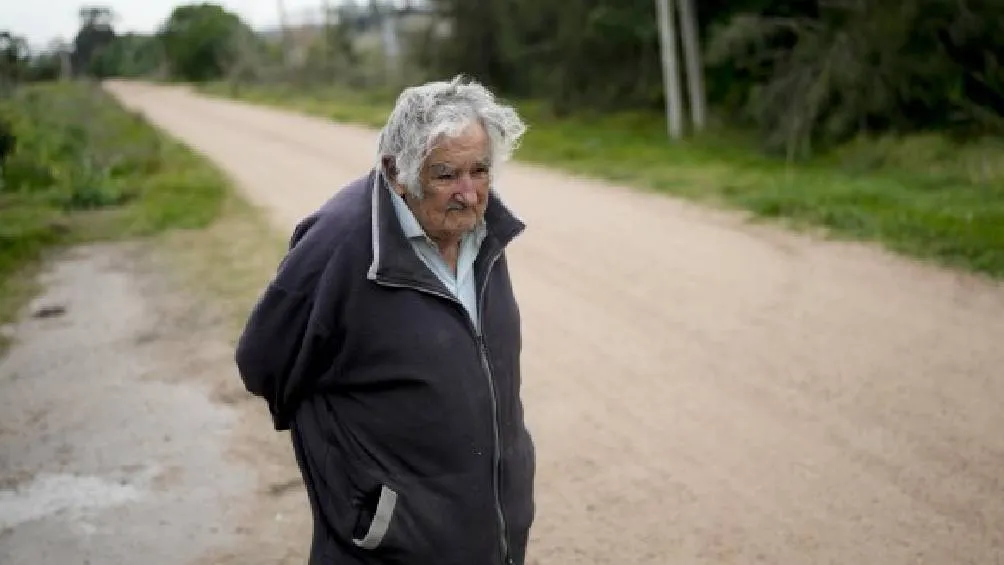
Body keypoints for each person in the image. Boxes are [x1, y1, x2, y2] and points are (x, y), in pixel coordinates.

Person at [234, 75, 536, 565]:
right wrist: (363, 490)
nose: (468, 193)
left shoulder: (485, 230)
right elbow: (262, 362)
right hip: (391, 546)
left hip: (491, 531)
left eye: (479, 170)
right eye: (445, 175)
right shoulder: (339, 242)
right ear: (398, 170)